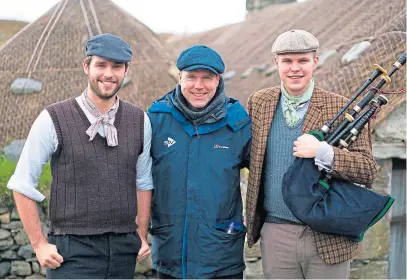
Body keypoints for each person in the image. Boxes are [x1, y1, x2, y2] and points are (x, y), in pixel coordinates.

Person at [7, 33, 152, 279]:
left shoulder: (140, 120)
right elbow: (21, 184)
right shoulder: (53, 118)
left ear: (126, 71)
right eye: (101, 65)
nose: (109, 73)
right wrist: (39, 244)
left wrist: (140, 235)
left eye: (117, 66)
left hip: (123, 251)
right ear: (87, 67)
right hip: (71, 252)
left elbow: (143, 182)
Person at [245, 30, 377, 279]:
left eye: (302, 60)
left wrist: (324, 152)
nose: (295, 68)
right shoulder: (259, 102)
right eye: (287, 61)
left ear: (315, 61)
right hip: (276, 233)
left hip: (326, 233)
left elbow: (368, 169)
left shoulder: (341, 106)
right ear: (276, 63)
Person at [147, 45, 251, 279]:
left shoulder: (238, 122)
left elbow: (265, 175)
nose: (198, 86)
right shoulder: (156, 120)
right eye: (191, 77)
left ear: (218, 79)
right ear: (180, 77)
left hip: (222, 257)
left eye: (207, 78)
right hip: (171, 256)